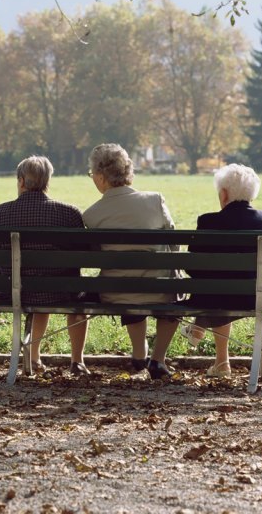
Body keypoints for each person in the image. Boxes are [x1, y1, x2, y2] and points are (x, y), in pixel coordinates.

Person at [82, 143, 180, 379]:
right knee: (168, 284)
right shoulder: (155, 200)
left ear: (102, 177)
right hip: (160, 290)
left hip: (115, 293)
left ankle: (139, 355)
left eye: (92, 174)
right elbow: (174, 243)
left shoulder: (91, 215)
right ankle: (157, 360)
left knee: (126, 277)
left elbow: (93, 254)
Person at [0, 156, 91, 376]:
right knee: (74, 291)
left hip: (12, 291)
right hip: (59, 292)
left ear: (22, 181)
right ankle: (77, 361)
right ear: (47, 182)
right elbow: (82, 253)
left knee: (35, 285)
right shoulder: (69, 213)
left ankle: (33, 360)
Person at [181, 163, 262, 378]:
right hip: (257, 296)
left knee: (217, 285)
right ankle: (219, 360)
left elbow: (192, 266)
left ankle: (203, 335)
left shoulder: (207, 221)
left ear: (224, 194)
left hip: (214, 296)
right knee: (226, 284)